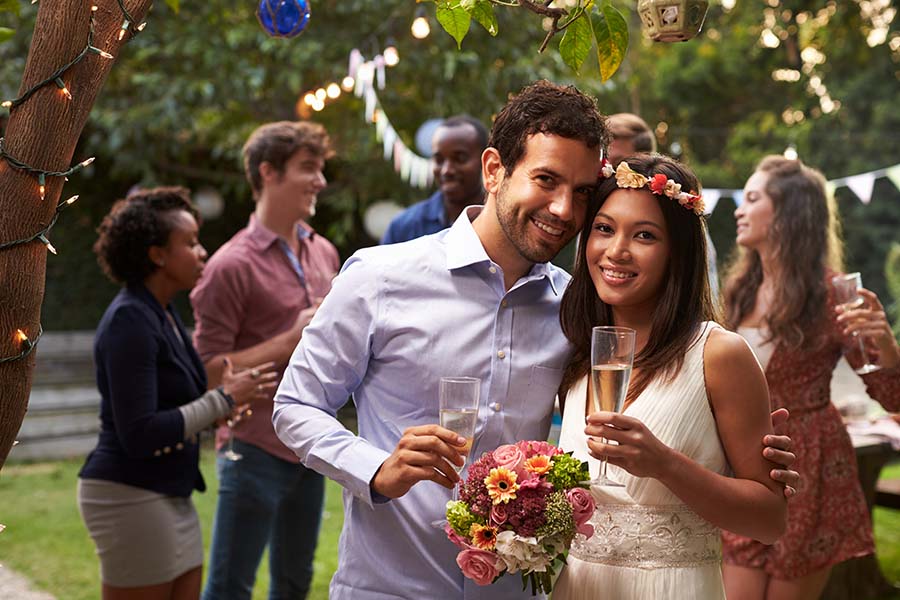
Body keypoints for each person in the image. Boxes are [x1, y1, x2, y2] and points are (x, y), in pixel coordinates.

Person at [272, 81, 799, 600]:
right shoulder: (380, 277)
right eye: (546, 180)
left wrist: (746, 453)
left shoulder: (577, 312)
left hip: (518, 592)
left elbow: (674, 403)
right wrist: (376, 468)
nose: (565, 210)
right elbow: (295, 405)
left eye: (581, 193)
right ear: (494, 169)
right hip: (389, 586)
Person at [551, 154, 786, 599]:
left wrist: (664, 464)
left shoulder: (719, 354)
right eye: (604, 228)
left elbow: (770, 521)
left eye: (644, 235)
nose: (617, 250)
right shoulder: (578, 351)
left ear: (677, 251)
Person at [77, 187, 275, 600]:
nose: (203, 252)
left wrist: (218, 411)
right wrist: (223, 400)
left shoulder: (161, 312)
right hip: (129, 494)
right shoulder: (130, 320)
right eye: (190, 243)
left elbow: (174, 406)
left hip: (170, 491)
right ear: (157, 255)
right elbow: (140, 432)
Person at [720, 156, 900, 599]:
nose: (740, 209)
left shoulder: (834, 294)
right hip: (744, 466)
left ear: (788, 213)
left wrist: (888, 347)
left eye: (754, 198)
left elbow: (891, 395)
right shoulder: (739, 291)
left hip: (811, 471)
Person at [190, 121, 341, 600]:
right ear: (268, 172)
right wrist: (289, 338)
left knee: (294, 585)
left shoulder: (324, 252)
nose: (320, 181)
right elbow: (207, 371)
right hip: (253, 447)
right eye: (308, 169)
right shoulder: (228, 265)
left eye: (320, 169)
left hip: (312, 444)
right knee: (229, 588)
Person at [607, 112, 720, 299]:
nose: (611, 174)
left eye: (620, 165)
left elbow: (704, 297)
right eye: (605, 229)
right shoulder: (592, 215)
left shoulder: (681, 221)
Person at [380, 115, 487, 244]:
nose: (446, 170)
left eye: (460, 158)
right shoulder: (403, 227)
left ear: (486, 161)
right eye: (439, 160)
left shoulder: (503, 223)